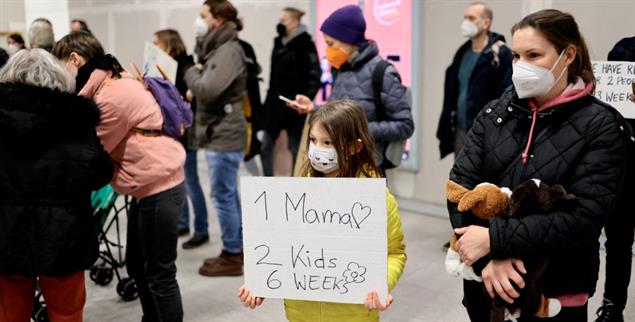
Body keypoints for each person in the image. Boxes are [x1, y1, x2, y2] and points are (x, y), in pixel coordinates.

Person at [448, 9, 631, 322]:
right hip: (486, 283)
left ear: (568, 55)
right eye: (517, 56)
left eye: (534, 55)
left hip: (557, 289)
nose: (520, 66)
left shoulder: (602, 125)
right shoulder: (494, 113)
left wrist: (496, 239)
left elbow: (584, 217)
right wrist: (489, 259)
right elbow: (460, 190)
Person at [52, 31, 186, 322]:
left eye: (61, 65)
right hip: (147, 187)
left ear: (74, 59)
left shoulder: (110, 97)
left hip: (158, 187)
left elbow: (92, 151)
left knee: (160, 275)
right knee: (138, 267)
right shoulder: (113, 78)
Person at [236, 99, 407, 322]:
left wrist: (380, 284)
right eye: (314, 140)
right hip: (300, 314)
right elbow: (280, 249)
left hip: (353, 315)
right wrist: (262, 283)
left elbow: (395, 253)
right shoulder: (296, 197)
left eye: (328, 142)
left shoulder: (377, 200)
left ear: (354, 146)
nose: (318, 149)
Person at [0, 49, 113, 322]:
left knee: (9, 313)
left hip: (6, 231)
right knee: (67, 312)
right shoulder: (77, 121)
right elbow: (99, 173)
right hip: (65, 234)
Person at [289, 4, 414, 173]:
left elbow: (404, 125)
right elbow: (339, 114)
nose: (328, 50)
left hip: (368, 167)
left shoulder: (382, 72)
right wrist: (314, 108)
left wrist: (357, 130)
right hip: (337, 165)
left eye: (330, 43)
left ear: (348, 39)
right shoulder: (341, 69)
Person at [185, 0, 247, 277]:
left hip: (224, 134)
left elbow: (208, 90)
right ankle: (237, 247)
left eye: (203, 16)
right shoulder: (219, 49)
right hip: (219, 132)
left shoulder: (228, 51)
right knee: (228, 194)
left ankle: (233, 254)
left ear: (218, 19)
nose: (199, 21)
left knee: (223, 196)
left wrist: (190, 72)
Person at [153, 29, 210, 250]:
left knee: (192, 182)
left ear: (169, 44)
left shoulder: (186, 67)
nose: (154, 47)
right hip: (174, 132)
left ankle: (202, 229)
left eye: (157, 43)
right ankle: (184, 223)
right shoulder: (168, 67)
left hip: (187, 133)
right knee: (179, 180)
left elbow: (187, 101)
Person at [437, 2, 513, 160]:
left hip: (487, 133)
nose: (466, 23)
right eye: (465, 18)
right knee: (460, 180)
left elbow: (507, 95)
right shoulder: (462, 53)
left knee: (484, 181)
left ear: (486, 23)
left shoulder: (500, 54)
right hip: (461, 130)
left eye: (471, 18)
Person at [594, 35, 635, 322]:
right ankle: (612, 307)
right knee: (618, 239)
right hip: (625, 162)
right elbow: (611, 98)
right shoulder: (624, 49)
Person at [260, 7, 321, 176]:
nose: (280, 24)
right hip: (274, 104)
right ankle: (267, 184)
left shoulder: (305, 44)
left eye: (283, 20)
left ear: (295, 22)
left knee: (296, 148)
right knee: (265, 146)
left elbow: (315, 75)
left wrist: (306, 99)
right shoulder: (278, 43)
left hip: (296, 106)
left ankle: (296, 184)